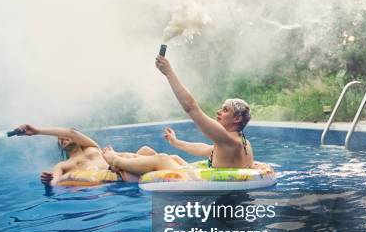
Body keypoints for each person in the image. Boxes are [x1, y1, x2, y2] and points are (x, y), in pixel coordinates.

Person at [102, 56, 254, 175]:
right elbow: (206, 149)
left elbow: (191, 108)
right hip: (217, 181)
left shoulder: (228, 141)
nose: (218, 112)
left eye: (225, 110)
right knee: (158, 154)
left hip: (211, 191)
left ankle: (116, 160)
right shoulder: (237, 142)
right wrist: (176, 142)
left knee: (162, 159)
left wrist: (169, 73)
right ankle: (127, 161)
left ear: (237, 118)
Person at [13, 124, 159, 185]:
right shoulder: (64, 165)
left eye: (64, 136)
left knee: (146, 150)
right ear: (61, 147)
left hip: (122, 169)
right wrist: (48, 181)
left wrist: (37, 130)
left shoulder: (92, 146)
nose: (63, 138)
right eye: (60, 139)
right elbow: (54, 181)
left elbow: (72, 132)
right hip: (111, 182)